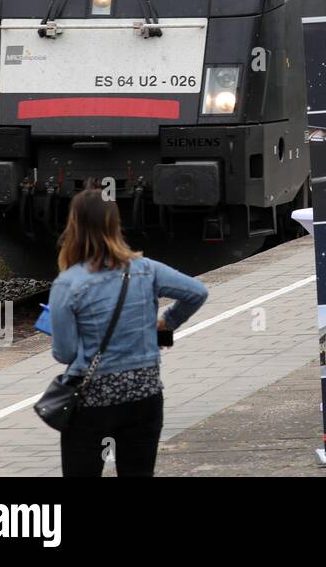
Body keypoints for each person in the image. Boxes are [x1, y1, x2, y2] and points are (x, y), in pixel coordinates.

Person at [49, 187, 209, 477]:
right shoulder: (146, 269)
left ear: (74, 226)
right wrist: (166, 323)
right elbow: (197, 292)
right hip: (144, 396)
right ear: (115, 224)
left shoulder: (68, 283)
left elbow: (65, 353)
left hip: (92, 402)